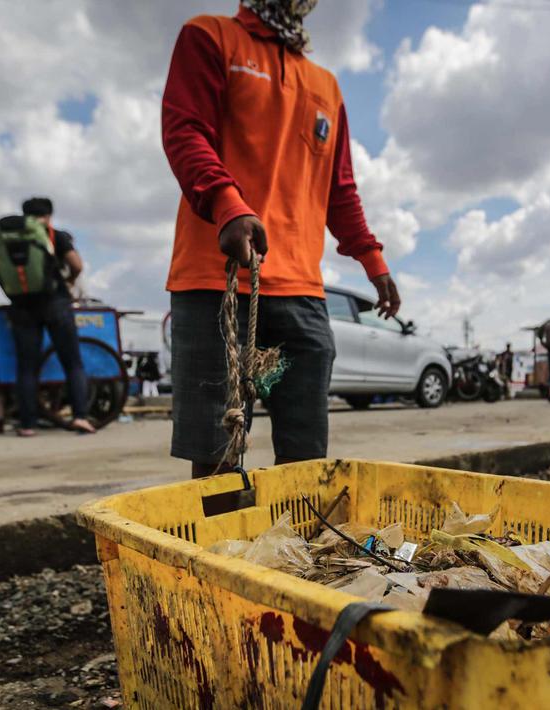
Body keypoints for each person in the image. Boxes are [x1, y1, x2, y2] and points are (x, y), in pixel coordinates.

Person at [162, 1, 399, 478]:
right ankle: (220, 548)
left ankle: (291, 550)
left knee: (306, 452)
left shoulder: (326, 86)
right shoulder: (210, 37)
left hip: (302, 294)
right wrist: (227, 205)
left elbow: (340, 188)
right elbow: (185, 131)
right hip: (216, 281)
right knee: (218, 452)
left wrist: (373, 260)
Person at [0, 197, 95, 437]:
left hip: (21, 308)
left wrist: (14, 291)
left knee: (27, 368)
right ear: (49, 215)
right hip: (55, 303)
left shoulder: (6, 238)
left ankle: (27, 424)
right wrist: (68, 282)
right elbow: (77, 265)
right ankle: (80, 417)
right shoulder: (54, 235)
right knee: (72, 363)